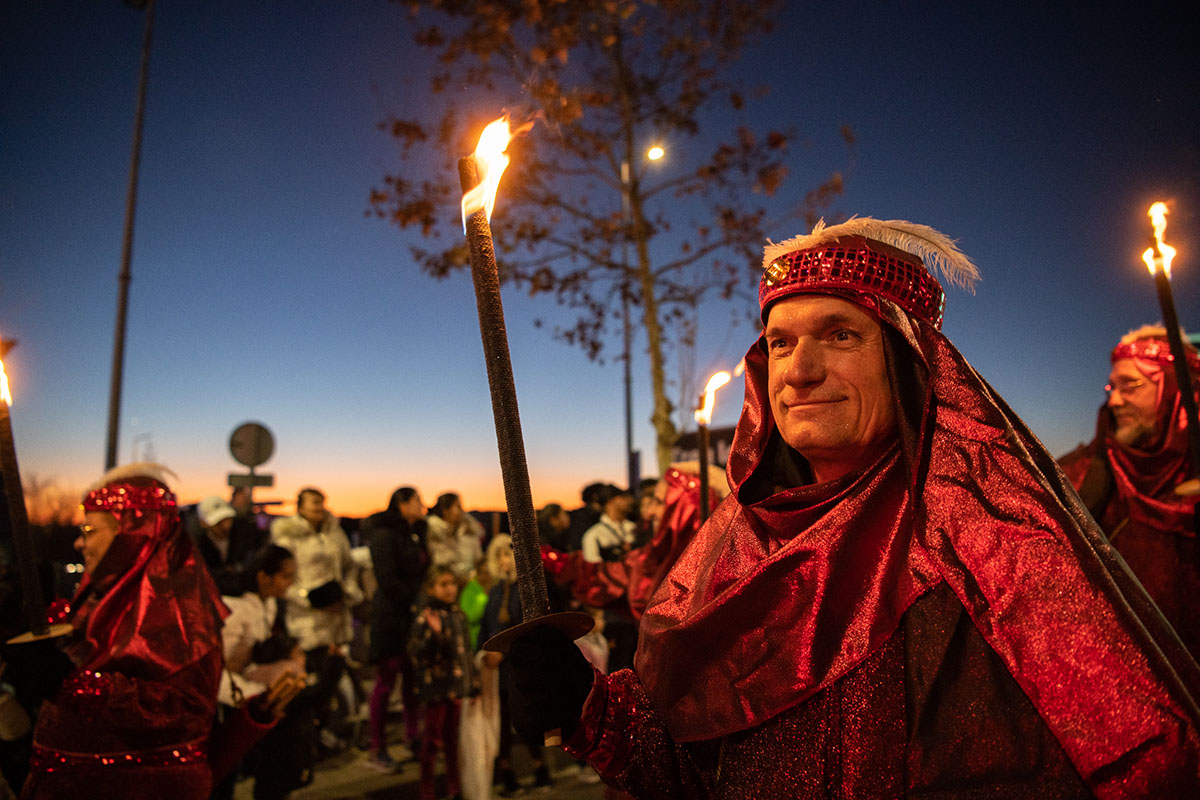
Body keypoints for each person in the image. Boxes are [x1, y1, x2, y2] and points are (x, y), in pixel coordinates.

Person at [506, 218, 1200, 797]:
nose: (800, 370)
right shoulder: (726, 555)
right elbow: (699, 775)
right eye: (780, 343)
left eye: (839, 334)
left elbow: (1143, 761)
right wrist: (593, 712)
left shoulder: (999, 548)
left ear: (907, 361)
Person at [22, 463, 226, 800]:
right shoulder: (99, 597)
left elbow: (184, 712)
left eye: (90, 530)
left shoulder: (182, 613)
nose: (79, 542)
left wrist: (77, 687)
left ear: (133, 535)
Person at [1059, 326, 1200, 659]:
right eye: (1113, 386)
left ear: (1175, 390)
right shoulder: (1083, 472)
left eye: (1131, 386)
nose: (1115, 400)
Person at [213, 544, 308, 800]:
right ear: (264, 577)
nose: (290, 583)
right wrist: (253, 694)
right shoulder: (236, 610)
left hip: (241, 699)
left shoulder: (268, 605)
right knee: (220, 778)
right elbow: (216, 668)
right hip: (221, 707)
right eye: (286, 576)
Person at [270, 488, 361, 749]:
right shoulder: (289, 536)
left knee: (331, 677)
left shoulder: (334, 531)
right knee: (310, 681)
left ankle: (326, 729)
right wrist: (305, 597)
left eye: (322, 502)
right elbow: (282, 577)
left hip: (335, 616)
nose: (319, 508)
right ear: (300, 507)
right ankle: (307, 736)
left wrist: (348, 590)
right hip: (306, 620)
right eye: (313, 503)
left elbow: (349, 564)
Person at [478, 536, 554, 796]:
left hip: (519, 668)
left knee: (527, 720)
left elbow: (526, 630)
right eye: (497, 555)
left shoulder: (525, 591)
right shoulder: (496, 591)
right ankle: (508, 775)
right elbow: (487, 629)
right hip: (498, 673)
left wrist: (505, 653)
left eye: (507, 554)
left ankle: (541, 769)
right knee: (502, 725)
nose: (502, 560)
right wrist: (484, 654)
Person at [361, 487, 428, 773]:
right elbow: (387, 579)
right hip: (391, 617)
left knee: (412, 681)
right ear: (402, 504)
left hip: (413, 614)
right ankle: (378, 746)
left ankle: (412, 736)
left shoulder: (413, 532)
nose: (423, 506)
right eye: (417, 501)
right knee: (386, 683)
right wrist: (414, 602)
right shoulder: (384, 534)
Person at [408, 565, 476, 800]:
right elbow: (418, 654)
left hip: (456, 686)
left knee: (452, 741)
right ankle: (427, 790)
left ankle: (454, 787)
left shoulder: (457, 614)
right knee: (432, 740)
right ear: (431, 588)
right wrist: (436, 637)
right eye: (443, 585)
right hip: (435, 688)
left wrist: (472, 682)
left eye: (452, 584)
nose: (449, 589)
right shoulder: (426, 616)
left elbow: (465, 651)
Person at [191, 495, 264, 596]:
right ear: (203, 523)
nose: (225, 526)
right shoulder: (198, 544)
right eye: (218, 522)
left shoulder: (245, 535)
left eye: (227, 519)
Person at [425, 493, 485, 585]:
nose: (461, 510)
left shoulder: (468, 530)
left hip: (471, 585)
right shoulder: (434, 532)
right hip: (446, 586)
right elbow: (440, 562)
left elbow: (478, 558)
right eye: (458, 506)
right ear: (445, 510)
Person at [579, 486, 635, 563]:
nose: (630, 500)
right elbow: (594, 567)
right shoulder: (594, 535)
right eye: (623, 497)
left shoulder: (634, 527)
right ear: (610, 502)